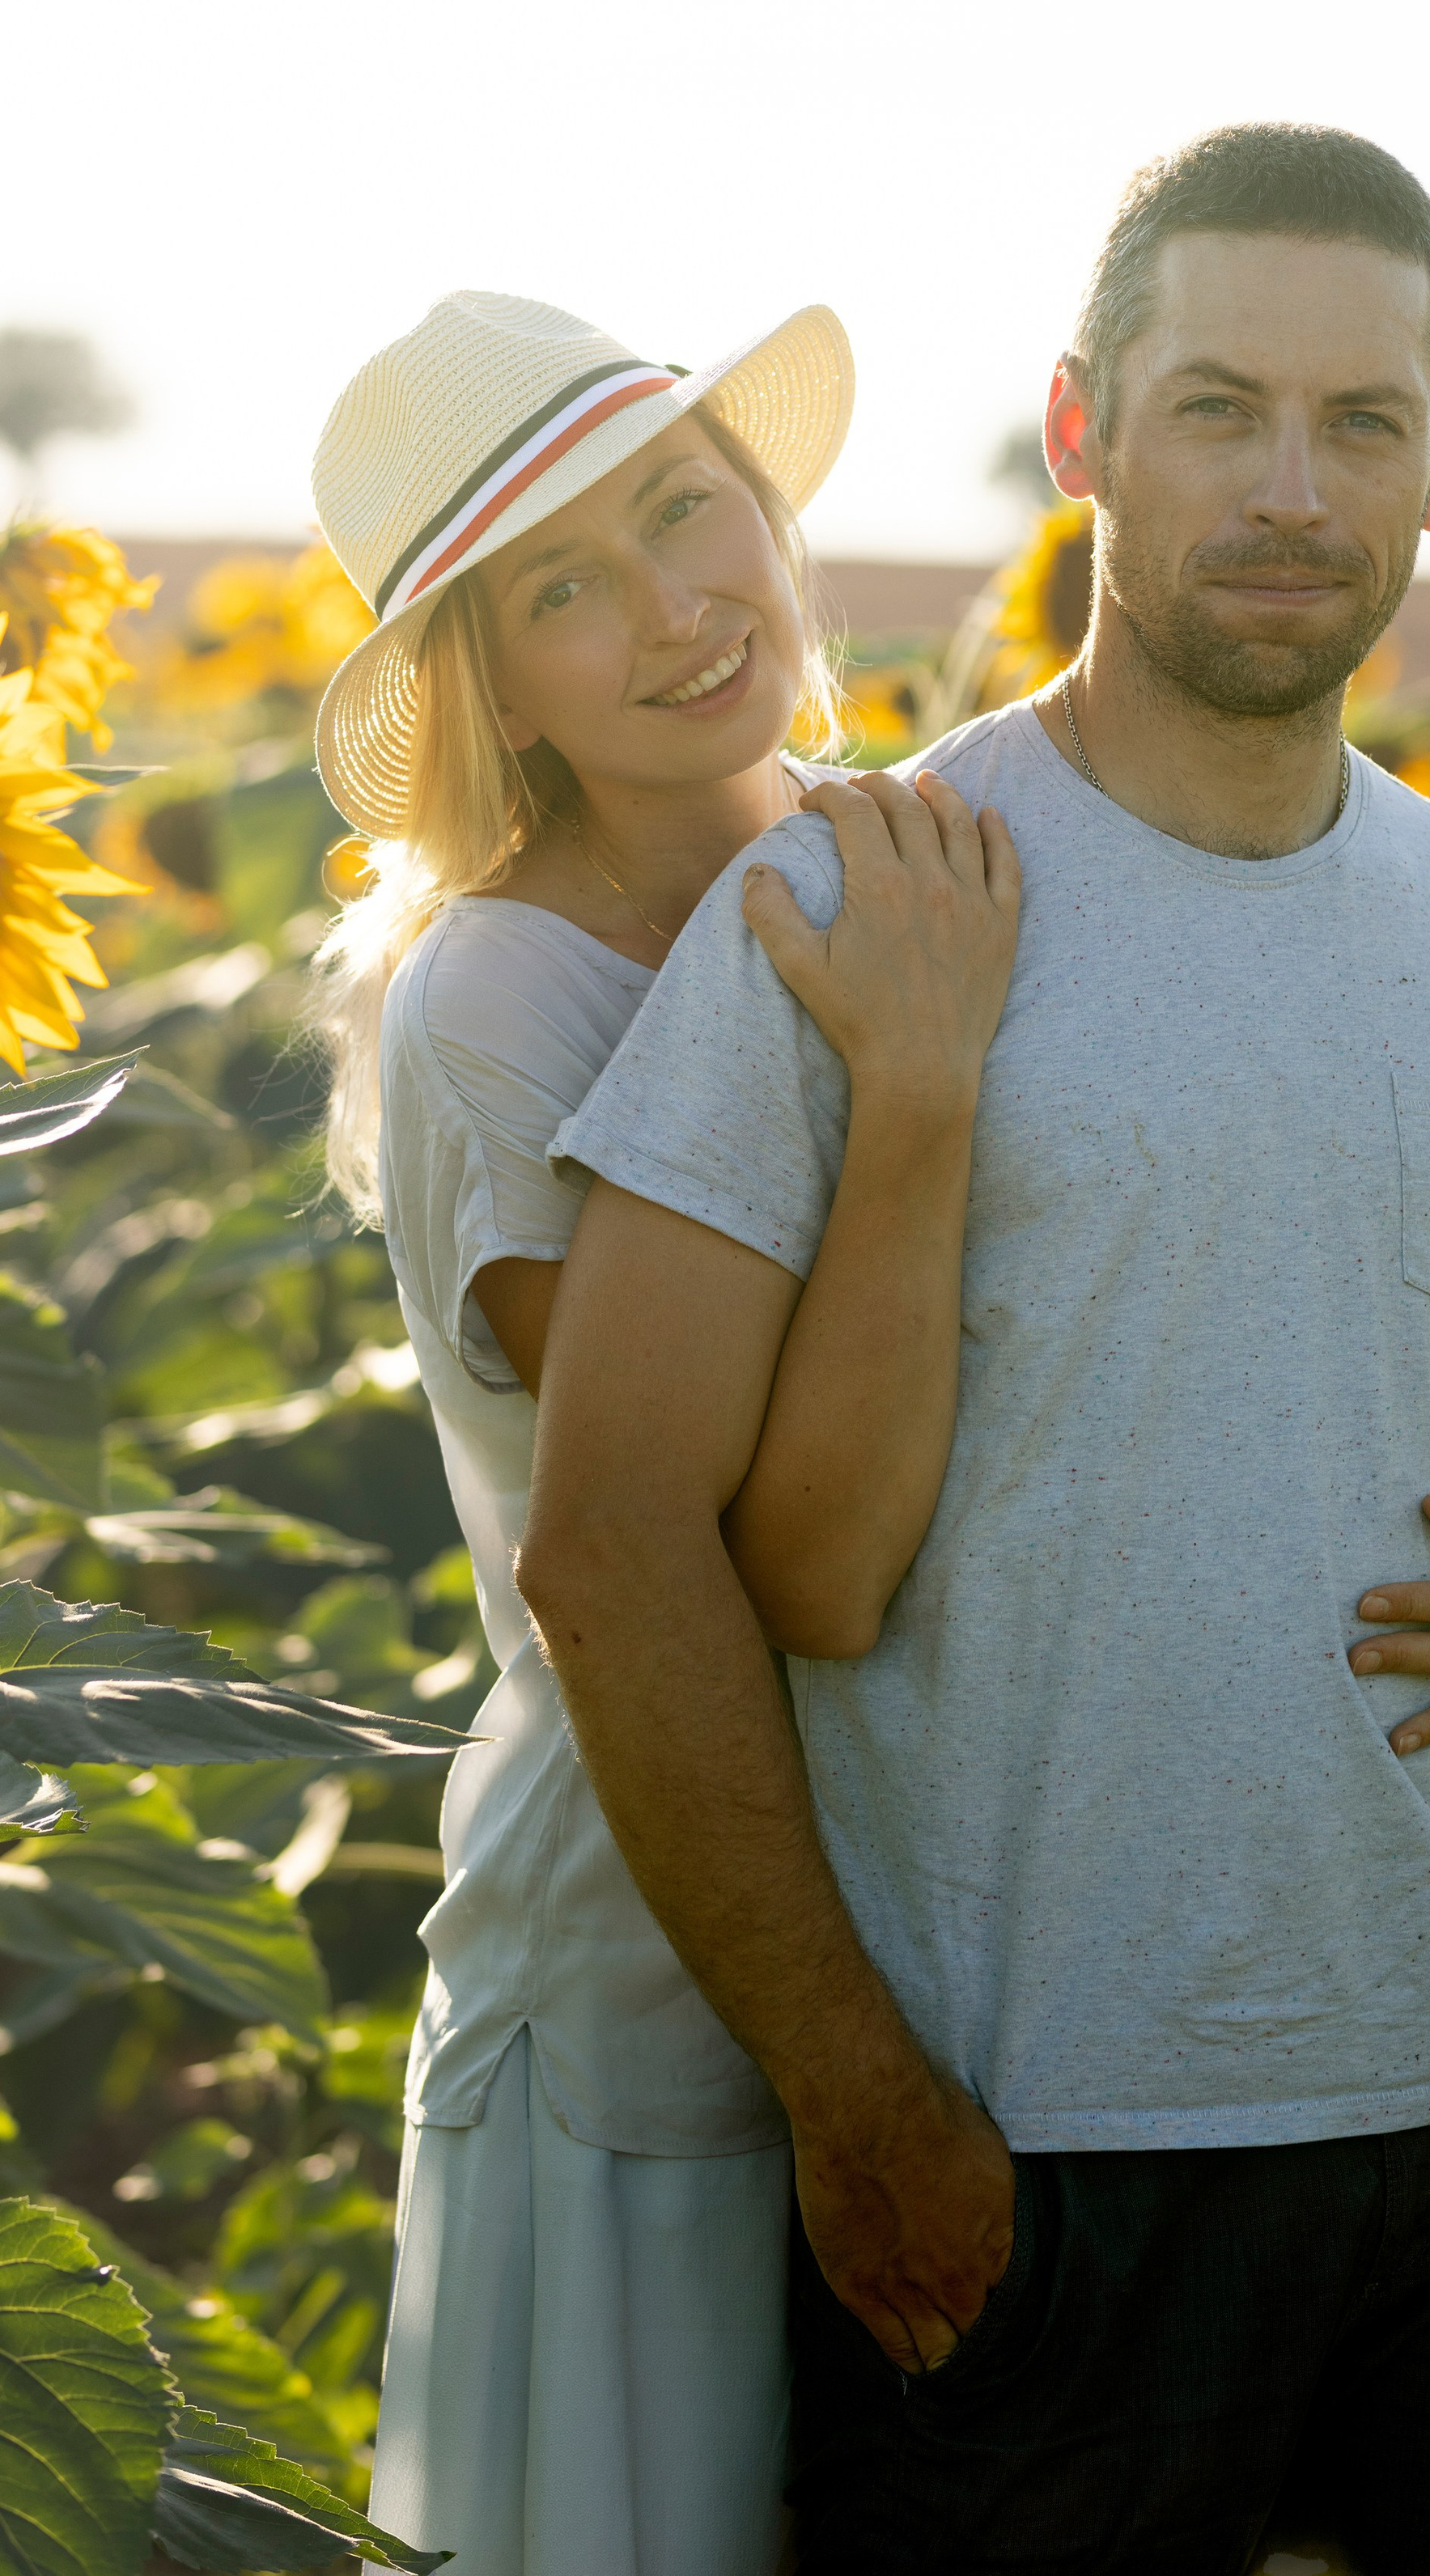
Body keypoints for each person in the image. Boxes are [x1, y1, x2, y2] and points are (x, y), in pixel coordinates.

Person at [520, 125, 1430, 2575]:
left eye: (1363, 424)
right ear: (1084, 430)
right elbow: (613, 1541)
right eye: (1218, 409)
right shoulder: (849, 902)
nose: (1292, 490)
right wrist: (854, 2091)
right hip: (1047, 2158)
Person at [304, 286, 1025, 2576]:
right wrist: (914, 1098)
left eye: (685, 510)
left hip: (951, 1907)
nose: (670, 608)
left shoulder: (890, 853)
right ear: (489, 684)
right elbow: (707, 1522)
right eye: (560, 588)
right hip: (650, 1954)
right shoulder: (499, 993)